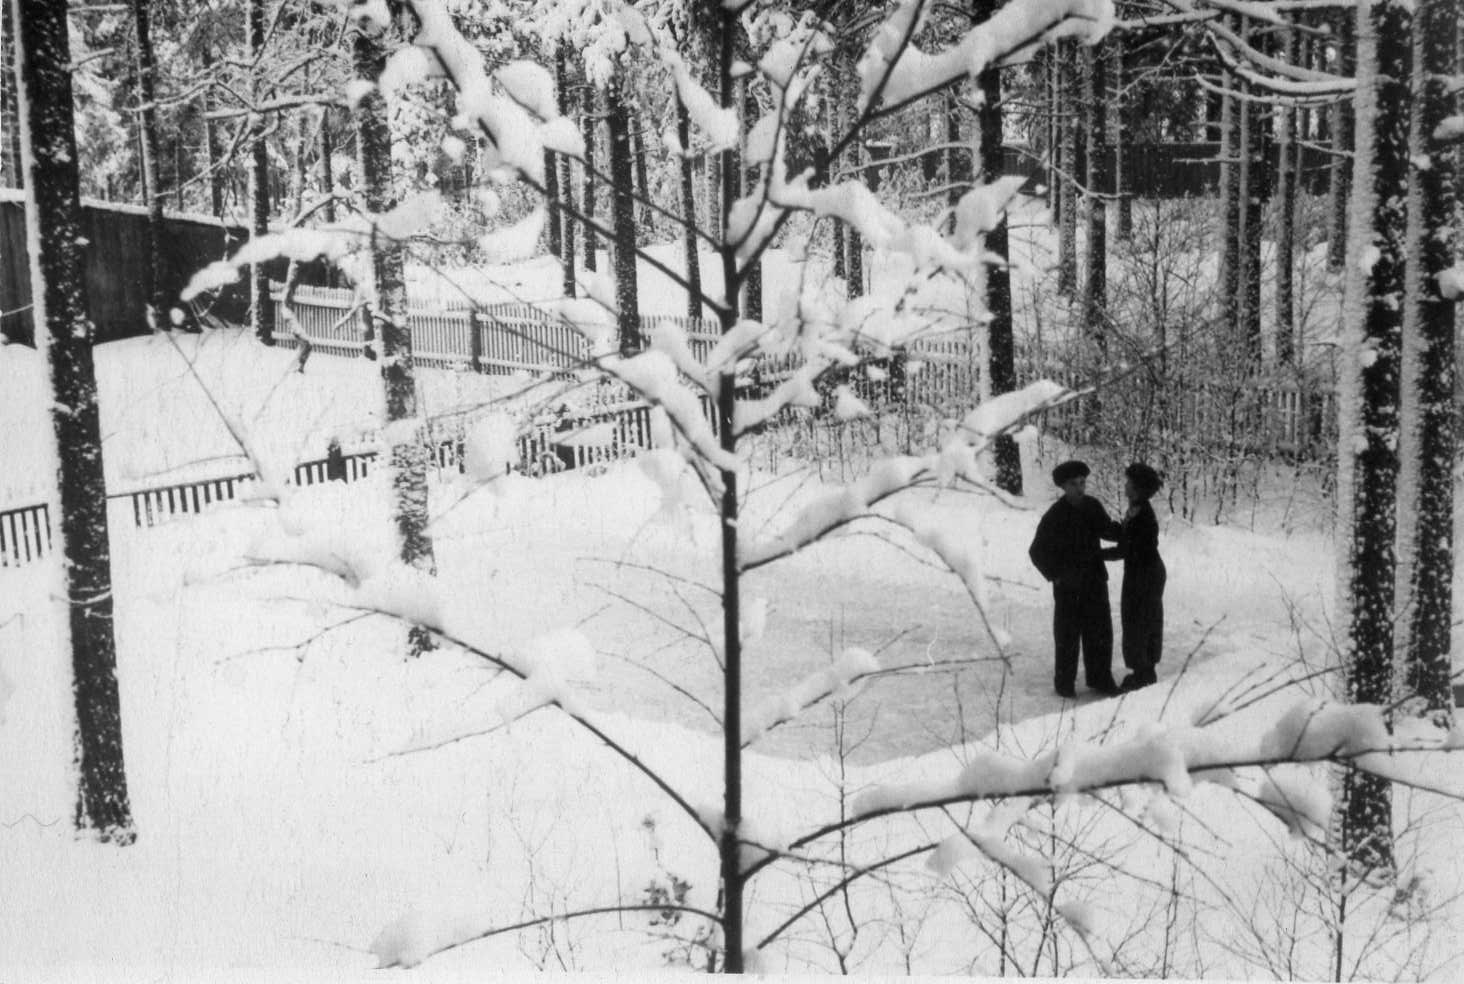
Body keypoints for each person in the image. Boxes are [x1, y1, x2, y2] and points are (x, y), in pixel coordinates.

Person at [1028, 460, 1121, 698]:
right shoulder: (1055, 516)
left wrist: (1130, 528)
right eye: (1074, 484)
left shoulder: (1092, 506)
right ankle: (1064, 682)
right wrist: (1056, 576)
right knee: (1067, 636)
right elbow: (1037, 551)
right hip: (1068, 587)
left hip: (1095, 581)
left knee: (1099, 633)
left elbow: (1107, 530)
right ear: (1063, 486)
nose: (1080, 488)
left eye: (1083, 483)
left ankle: (1101, 678)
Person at [1103, 462, 1166, 691]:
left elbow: (1125, 548)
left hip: (1146, 575)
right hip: (1140, 572)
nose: (1125, 485)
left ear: (1138, 488)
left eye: (1129, 482)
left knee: (1141, 622)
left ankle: (1144, 673)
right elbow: (1125, 535)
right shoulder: (1135, 509)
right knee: (1136, 621)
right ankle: (1141, 670)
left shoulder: (1144, 515)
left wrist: (1096, 554)